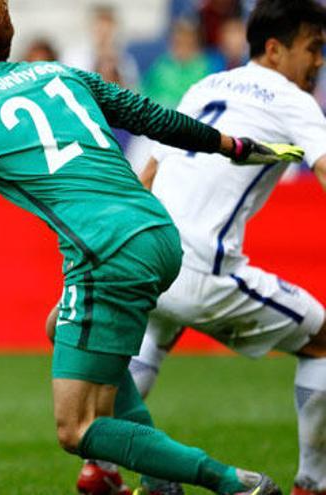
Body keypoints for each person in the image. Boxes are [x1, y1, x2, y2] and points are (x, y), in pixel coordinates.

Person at [0, 1, 303, 494]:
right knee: (60, 326)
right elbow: (149, 115)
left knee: (75, 428)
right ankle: (162, 483)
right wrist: (230, 145)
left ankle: (233, 482)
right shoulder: (58, 74)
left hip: (106, 254)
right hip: (158, 232)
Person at [78, 1, 326, 494]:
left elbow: (150, 169)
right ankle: (312, 484)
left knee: (150, 338)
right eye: (313, 48)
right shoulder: (293, 99)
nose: (319, 62)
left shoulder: (204, 85)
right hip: (205, 270)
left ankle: (100, 468)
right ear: (274, 50)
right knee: (322, 342)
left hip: (152, 253)